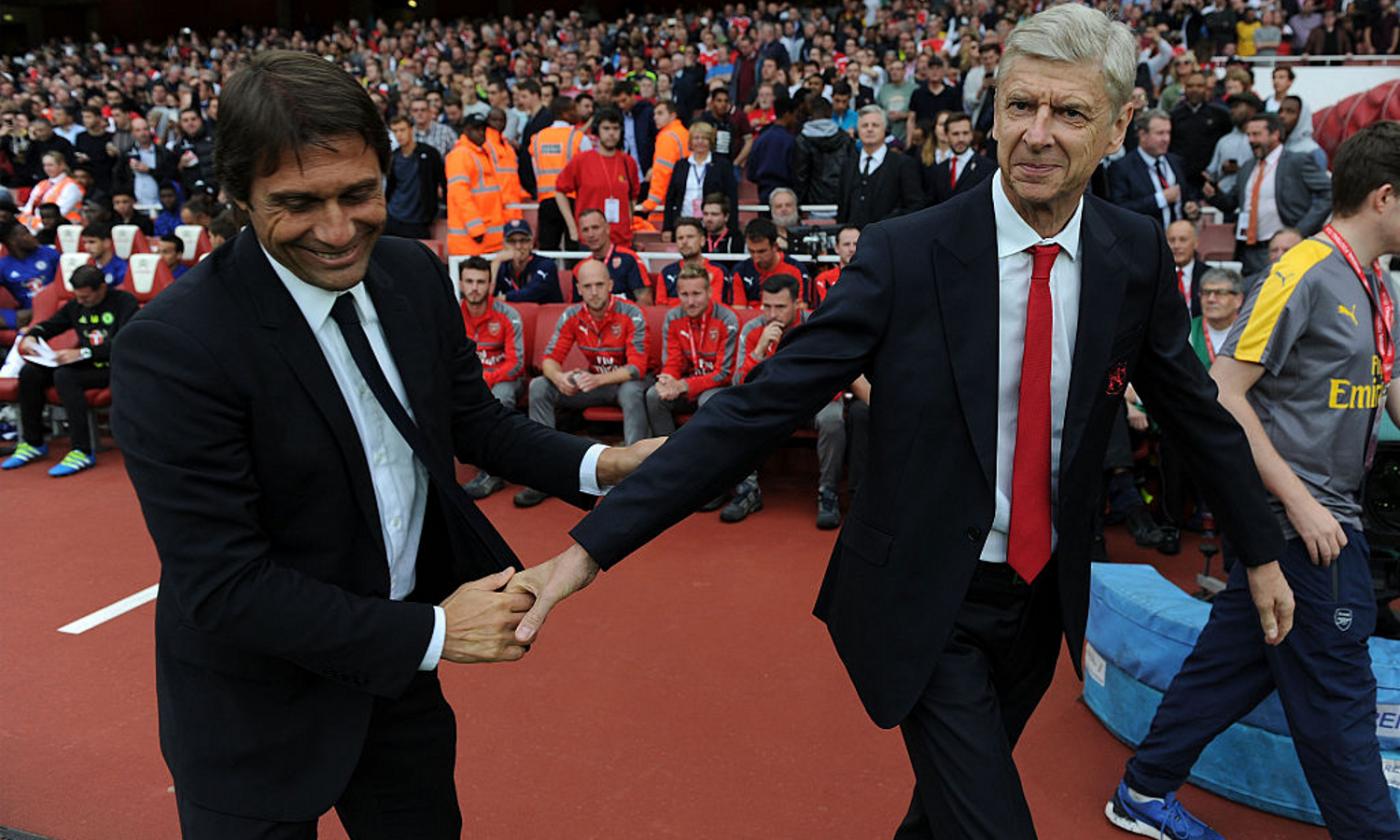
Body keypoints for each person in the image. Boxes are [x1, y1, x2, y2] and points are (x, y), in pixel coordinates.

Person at [504, 7, 1284, 838]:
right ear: (993, 111)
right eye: (1020, 106)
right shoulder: (905, 253)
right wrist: (590, 551)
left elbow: (1195, 414)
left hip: (1042, 599)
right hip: (923, 597)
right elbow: (762, 406)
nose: (1038, 135)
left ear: (1121, 123)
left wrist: (1262, 551)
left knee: (947, 814)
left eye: (1070, 112)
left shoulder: (1133, 255)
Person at [107, 51, 656, 839]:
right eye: (297, 204)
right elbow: (222, 584)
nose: (338, 232)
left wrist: (604, 464)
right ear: (237, 197)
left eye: (359, 194)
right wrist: (433, 634)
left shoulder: (411, 271)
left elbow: (470, 422)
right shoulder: (174, 345)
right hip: (253, 710)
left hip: (396, 696)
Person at [1109, 120, 1400, 840]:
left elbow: (1388, 396)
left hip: (1324, 513)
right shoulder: (1303, 270)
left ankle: (1143, 791)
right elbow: (1224, 392)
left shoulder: (1376, 284)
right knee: (1339, 697)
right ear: (1386, 197)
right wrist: (1299, 504)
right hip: (1304, 522)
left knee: (1239, 662)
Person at [716, 272, 846, 529]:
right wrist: (758, 351)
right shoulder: (755, 329)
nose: (772, 314)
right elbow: (740, 384)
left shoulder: (816, 327)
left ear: (798, 304)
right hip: (773, 403)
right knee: (740, 412)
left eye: (780, 307)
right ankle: (748, 490)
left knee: (833, 418)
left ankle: (828, 492)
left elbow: (833, 381)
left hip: (813, 401)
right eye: (767, 306)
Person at [516, 258, 651, 508]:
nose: (594, 291)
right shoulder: (572, 314)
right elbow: (549, 359)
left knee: (633, 391)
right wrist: (559, 377)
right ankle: (543, 473)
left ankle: (633, 476)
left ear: (610, 284)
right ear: (579, 289)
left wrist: (597, 378)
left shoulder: (631, 312)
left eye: (600, 284)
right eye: (587, 286)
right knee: (540, 386)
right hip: (593, 384)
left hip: (623, 384)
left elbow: (637, 368)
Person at [3, 264, 138, 476]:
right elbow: (51, 325)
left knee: (65, 376)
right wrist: (32, 335)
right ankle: (33, 442)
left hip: (114, 366)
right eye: (78, 297)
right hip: (87, 364)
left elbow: (125, 343)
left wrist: (83, 353)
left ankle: (82, 450)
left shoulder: (123, 302)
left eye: (86, 297)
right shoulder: (76, 305)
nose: (81, 302)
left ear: (102, 288)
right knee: (30, 373)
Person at [1204, 112, 1333, 278]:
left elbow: (1329, 193)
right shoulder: (1247, 168)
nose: (1251, 140)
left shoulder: (1297, 161)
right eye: (1248, 135)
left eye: (1256, 134)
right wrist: (1214, 195)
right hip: (1250, 250)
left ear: (1275, 135)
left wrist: (1301, 230)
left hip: (1286, 248)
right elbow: (1232, 203)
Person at [456, 256, 528, 500]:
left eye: (481, 282)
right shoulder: (450, 314)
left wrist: (486, 379)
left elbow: (516, 362)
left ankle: (492, 473)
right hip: (466, 381)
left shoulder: (507, 313)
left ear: (490, 284)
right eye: (469, 281)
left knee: (499, 397)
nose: (474, 287)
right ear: (460, 283)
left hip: (504, 380)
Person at [646, 265, 741, 436]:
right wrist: (667, 381)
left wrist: (683, 385)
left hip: (717, 387)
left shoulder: (727, 319)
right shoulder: (673, 317)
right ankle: (666, 452)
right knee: (654, 395)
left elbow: (724, 374)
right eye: (684, 295)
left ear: (709, 292)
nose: (690, 302)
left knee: (708, 400)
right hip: (684, 385)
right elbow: (672, 361)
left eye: (696, 294)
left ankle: (707, 457)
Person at [556, 107, 640, 249]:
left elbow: (633, 196)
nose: (611, 133)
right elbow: (559, 191)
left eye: (615, 128)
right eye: (606, 128)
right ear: (597, 131)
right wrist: (572, 227)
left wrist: (628, 222)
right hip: (590, 240)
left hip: (621, 240)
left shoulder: (628, 162)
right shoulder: (581, 160)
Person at [837, 105, 923, 227]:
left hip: (890, 239)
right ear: (858, 130)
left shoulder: (903, 164)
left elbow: (915, 206)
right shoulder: (848, 164)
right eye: (864, 125)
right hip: (852, 242)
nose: (869, 129)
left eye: (875, 125)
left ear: (885, 129)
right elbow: (843, 205)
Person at [1107, 109, 1194, 228]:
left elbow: (1186, 196)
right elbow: (1120, 210)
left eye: (1168, 133)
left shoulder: (1176, 162)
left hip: (1178, 239)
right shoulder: (1122, 168)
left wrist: (1192, 207)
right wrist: (1160, 199)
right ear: (1143, 135)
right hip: (1144, 240)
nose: (1166, 139)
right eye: (1160, 133)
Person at [529, 97, 591, 251]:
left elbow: (536, 170)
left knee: (547, 251)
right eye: (573, 109)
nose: (577, 112)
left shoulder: (538, 138)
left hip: (546, 201)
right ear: (565, 113)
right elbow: (589, 171)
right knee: (574, 249)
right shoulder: (578, 138)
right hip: (572, 200)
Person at [662, 120, 739, 236]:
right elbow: (670, 198)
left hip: (712, 226)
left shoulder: (722, 165)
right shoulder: (681, 165)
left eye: (704, 138)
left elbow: (731, 197)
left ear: (711, 141)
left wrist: (732, 228)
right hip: (684, 222)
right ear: (690, 142)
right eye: (696, 138)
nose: (700, 142)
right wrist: (667, 227)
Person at [444, 115, 506, 257]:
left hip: (488, 240)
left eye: (483, 129)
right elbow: (460, 195)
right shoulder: (460, 155)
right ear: (466, 130)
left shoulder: (480, 154)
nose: (481, 132)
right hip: (470, 241)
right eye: (476, 129)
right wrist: (476, 228)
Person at [1169, 71, 1230, 198]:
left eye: (1199, 86)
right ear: (1185, 88)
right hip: (1181, 178)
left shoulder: (1220, 114)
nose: (1194, 90)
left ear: (1206, 88)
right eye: (1190, 86)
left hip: (1210, 178)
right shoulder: (1174, 115)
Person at [384, 115, 446, 240]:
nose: (399, 135)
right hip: (395, 216)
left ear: (411, 130)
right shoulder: (393, 157)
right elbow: (390, 187)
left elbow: (442, 181)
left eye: (402, 130)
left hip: (420, 219)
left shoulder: (429, 153)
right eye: (395, 131)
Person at [730, 217, 809, 309]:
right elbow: (739, 309)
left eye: (762, 251)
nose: (756, 258)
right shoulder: (740, 271)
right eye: (751, 251)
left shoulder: (796, 269)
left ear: (775, 246)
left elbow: (801, 308)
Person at [576, 208, 651, 304]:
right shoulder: (580, 268)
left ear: (607, 228)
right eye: (585, 230)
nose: (591, 234)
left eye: (595, 228)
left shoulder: (629, 259)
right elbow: (576, 307)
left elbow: (645, 300)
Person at [793, 97, 855, 213]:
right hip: (841, 201)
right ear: (830, 113)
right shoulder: (846, 139)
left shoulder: (802, 141)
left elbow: (800, 177)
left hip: (813, 204)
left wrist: (800, 204)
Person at [927, 112, 995, 206]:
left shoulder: (987, 167)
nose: (961, 139)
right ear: (946, 136)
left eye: (965, 133)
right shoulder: (939, 170)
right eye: (955, 134)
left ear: (972, 135)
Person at [0, 222, 60, 326]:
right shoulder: (3, 266)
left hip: (56, 306)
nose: (32, 236)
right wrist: (11, 316)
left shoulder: (49, 253)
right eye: (26, 234)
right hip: (30, 313)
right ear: (12, 241)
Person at [655, 217, 728, 304]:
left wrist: (673, 302)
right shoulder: (666, 272)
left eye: (690, 237)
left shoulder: (718, 271)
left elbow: (713, 307)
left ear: (702, 241)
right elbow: (661, 309)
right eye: (680, 238)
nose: (684, 242)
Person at [640, 100, 690, 226]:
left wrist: (651, 202)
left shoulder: (667, 137)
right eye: (654, 114)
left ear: (672, 115)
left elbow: (663, 172)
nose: (655, 118)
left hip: (666, 201)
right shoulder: (684, 133)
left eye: (660, 113)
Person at [1206, 92, 1262, 200]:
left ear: (1252, 109)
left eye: (1237, 107)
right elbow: (1212, 174)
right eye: (1231, 107)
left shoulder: (1262, 139)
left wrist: (1240, 169)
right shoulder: (1224, 141)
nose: (1232, 111)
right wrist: (1222, 169)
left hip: (1254, 199)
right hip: (1225, 201)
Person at [1187, 267, 1245, 370]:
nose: (1211, 299)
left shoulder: (1248, 331)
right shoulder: (1187, 331)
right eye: (1206, 293)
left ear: (1238, 300)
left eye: (1220, 293)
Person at [745, 94, 798, 206]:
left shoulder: (761, 138)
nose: (795, 119)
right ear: (788, 114)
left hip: (764, 194)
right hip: (786, 196)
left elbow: (750, 172)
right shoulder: (790, 141)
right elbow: (795, 172)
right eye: (794, 115)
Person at [493, 219, 562, 303]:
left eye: (523, 240)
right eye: (512, 241)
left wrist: (505, 297)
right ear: (504, 245)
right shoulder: (502, 267)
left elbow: (532, 292)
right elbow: (487, 294)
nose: (518, 246)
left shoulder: (546, 265)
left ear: (531, 243)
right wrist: (496, 262)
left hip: (547, 314)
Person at [18, 151, 83, 230]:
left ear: (62, 165)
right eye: (45, 165)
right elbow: (29, 206)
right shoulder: (41, 184)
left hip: (61, 228)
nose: (47, 168)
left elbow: (61, 212)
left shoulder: (71, 186)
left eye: (50, 165)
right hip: (33, 224)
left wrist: (33, 222)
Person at [698, 87, 753, 172]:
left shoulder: (730, 123)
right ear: (712, 103)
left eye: (726, 101)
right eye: (719, 101)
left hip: (726, 166)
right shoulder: (703, 121)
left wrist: (736, 162)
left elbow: (745, 141)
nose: (723, 104)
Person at [1165, 219, 1208, 317]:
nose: (1176, 246)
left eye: (1183, 240)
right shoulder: (1156, 275)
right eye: (1171, 240)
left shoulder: (1209, 274)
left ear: (1196, 243)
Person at [614, 80, 655, 181]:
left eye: (624, 100)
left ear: (633, 96)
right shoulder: (618, 116)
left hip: (646, 173)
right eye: (618, 102)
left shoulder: (648, 114)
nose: (621, 105)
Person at [170, 107, 216, 196]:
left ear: (200, 120)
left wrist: (224, 190)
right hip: (194, 197)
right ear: (181, 124)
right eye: (185, 120)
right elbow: (174, 175)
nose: (190, 123)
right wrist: (181, 165)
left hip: (217, 194)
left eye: (193, 119)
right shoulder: (178, 146)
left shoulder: (214, 139)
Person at [813, 225, 859, 305]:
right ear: (837, 248)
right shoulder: (822, 280)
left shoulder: (873, 278)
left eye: (856, 244)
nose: (852, 249)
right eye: (846, 244)